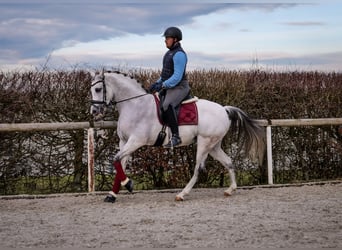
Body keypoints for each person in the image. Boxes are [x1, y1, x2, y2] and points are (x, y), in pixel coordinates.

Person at [149, 26, 191, 148]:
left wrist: (162, 85)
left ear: (175, 39)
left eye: (168, 38)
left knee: (167, 105)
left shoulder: (179, 55)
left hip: (180, 87)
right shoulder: (168, 54)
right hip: (170, 86)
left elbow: (177, 77)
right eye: (166, 38)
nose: (165, 40)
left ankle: (176, 137)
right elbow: (165, 74)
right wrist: (156, 83)